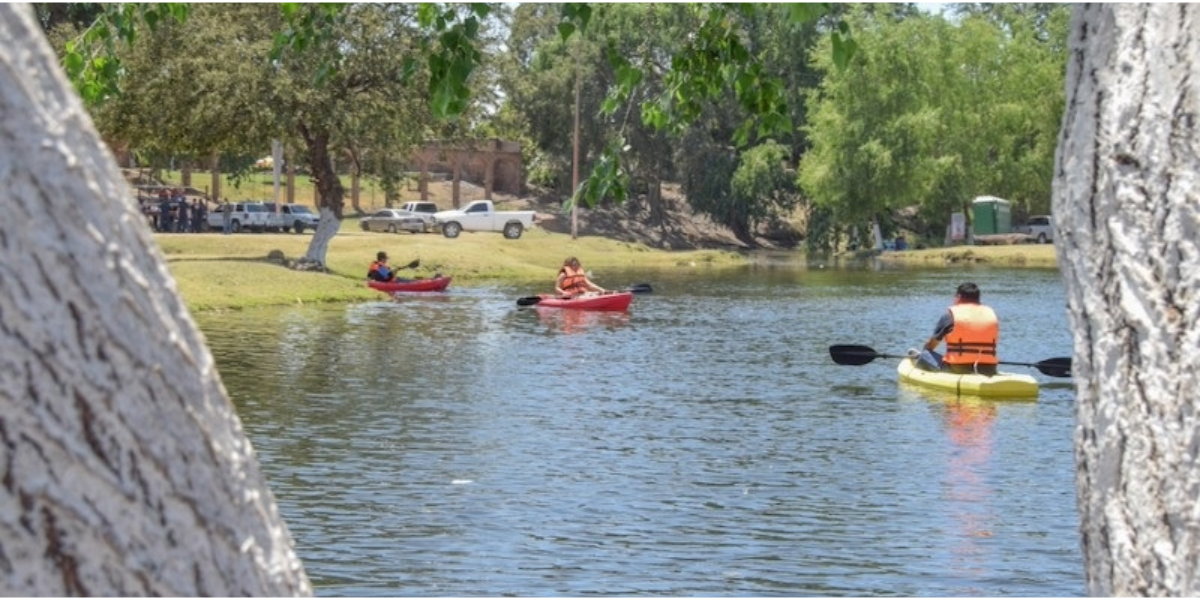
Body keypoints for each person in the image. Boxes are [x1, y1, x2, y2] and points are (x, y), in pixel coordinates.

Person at [912, 282, 999, 375]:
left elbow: (930, 346)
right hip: (989, 369)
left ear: (959, 297)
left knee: (925, 353)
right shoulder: (990, 315)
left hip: (958, 369)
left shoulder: (950, 316)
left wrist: (924, 352)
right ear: (978, 298)